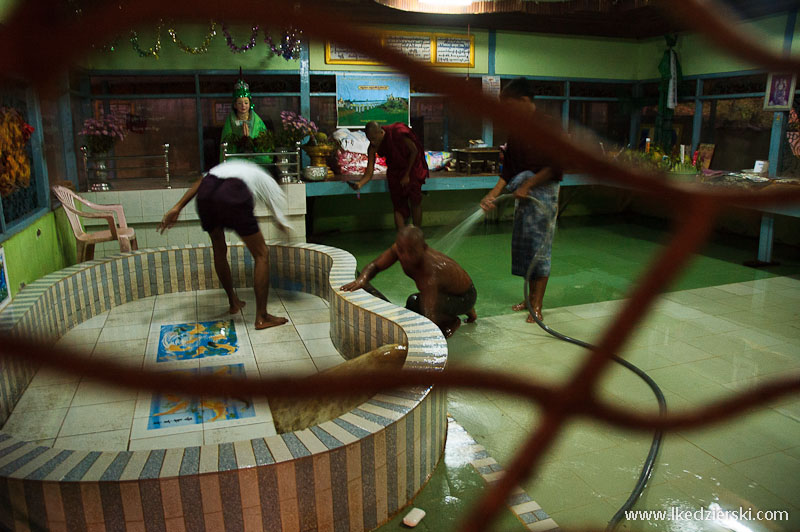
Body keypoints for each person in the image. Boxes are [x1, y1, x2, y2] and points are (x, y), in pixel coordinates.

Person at [158, 160, 289, 330]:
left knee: (219, 250)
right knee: (261, 254)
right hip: (232, 193)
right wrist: (286, 231)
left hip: (205, 195)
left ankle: (233, 302)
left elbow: (202, 181)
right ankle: (262, 317)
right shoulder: (268, 180)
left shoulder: (236, 166)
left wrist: (177, 207)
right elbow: (280, 221)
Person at [479, 77, 562, 323]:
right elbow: (508, 171)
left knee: (540, 249)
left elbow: (555, 167)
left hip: (543, 195)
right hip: (524, 197)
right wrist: (492, 195)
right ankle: (527, 298)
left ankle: (537, 305)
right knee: (525, 249)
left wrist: (528, 184)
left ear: (525, 101)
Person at [340, 226, 476, 338]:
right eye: (401, 250)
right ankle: (466, 310)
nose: (405, 256)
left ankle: (452, 321)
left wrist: (427, 335)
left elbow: (429, 313)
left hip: (465, 297)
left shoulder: (429, 271)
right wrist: (362, 279)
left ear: (424, 248)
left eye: (411, 251)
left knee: (414, 303)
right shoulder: (400, 249)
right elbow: (376, 265)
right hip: (458, 290)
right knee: (415, 305)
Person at [354, 121, 428, 229]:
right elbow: (369, 171)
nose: (373, 142)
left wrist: (407, 175)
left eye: (374, 139)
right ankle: (401, 237)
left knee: (415, 201)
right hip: (394, 170)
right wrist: (359, 184)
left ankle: (417, 233)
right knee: (398, 205)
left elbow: (414, 151)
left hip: (411, 167)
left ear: (380, 132)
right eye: (370, 139)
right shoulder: (373, 147)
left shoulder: (397, 132)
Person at [219, 75, 270, 164]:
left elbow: (264, 141)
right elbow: (226, 141)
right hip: (236, 157)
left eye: (246, 103)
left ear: (250, 104)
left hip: (255, 157)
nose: (243, 106)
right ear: (235, 105)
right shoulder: (230, 121)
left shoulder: (257, 121)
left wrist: (251, 141)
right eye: (239, 103)